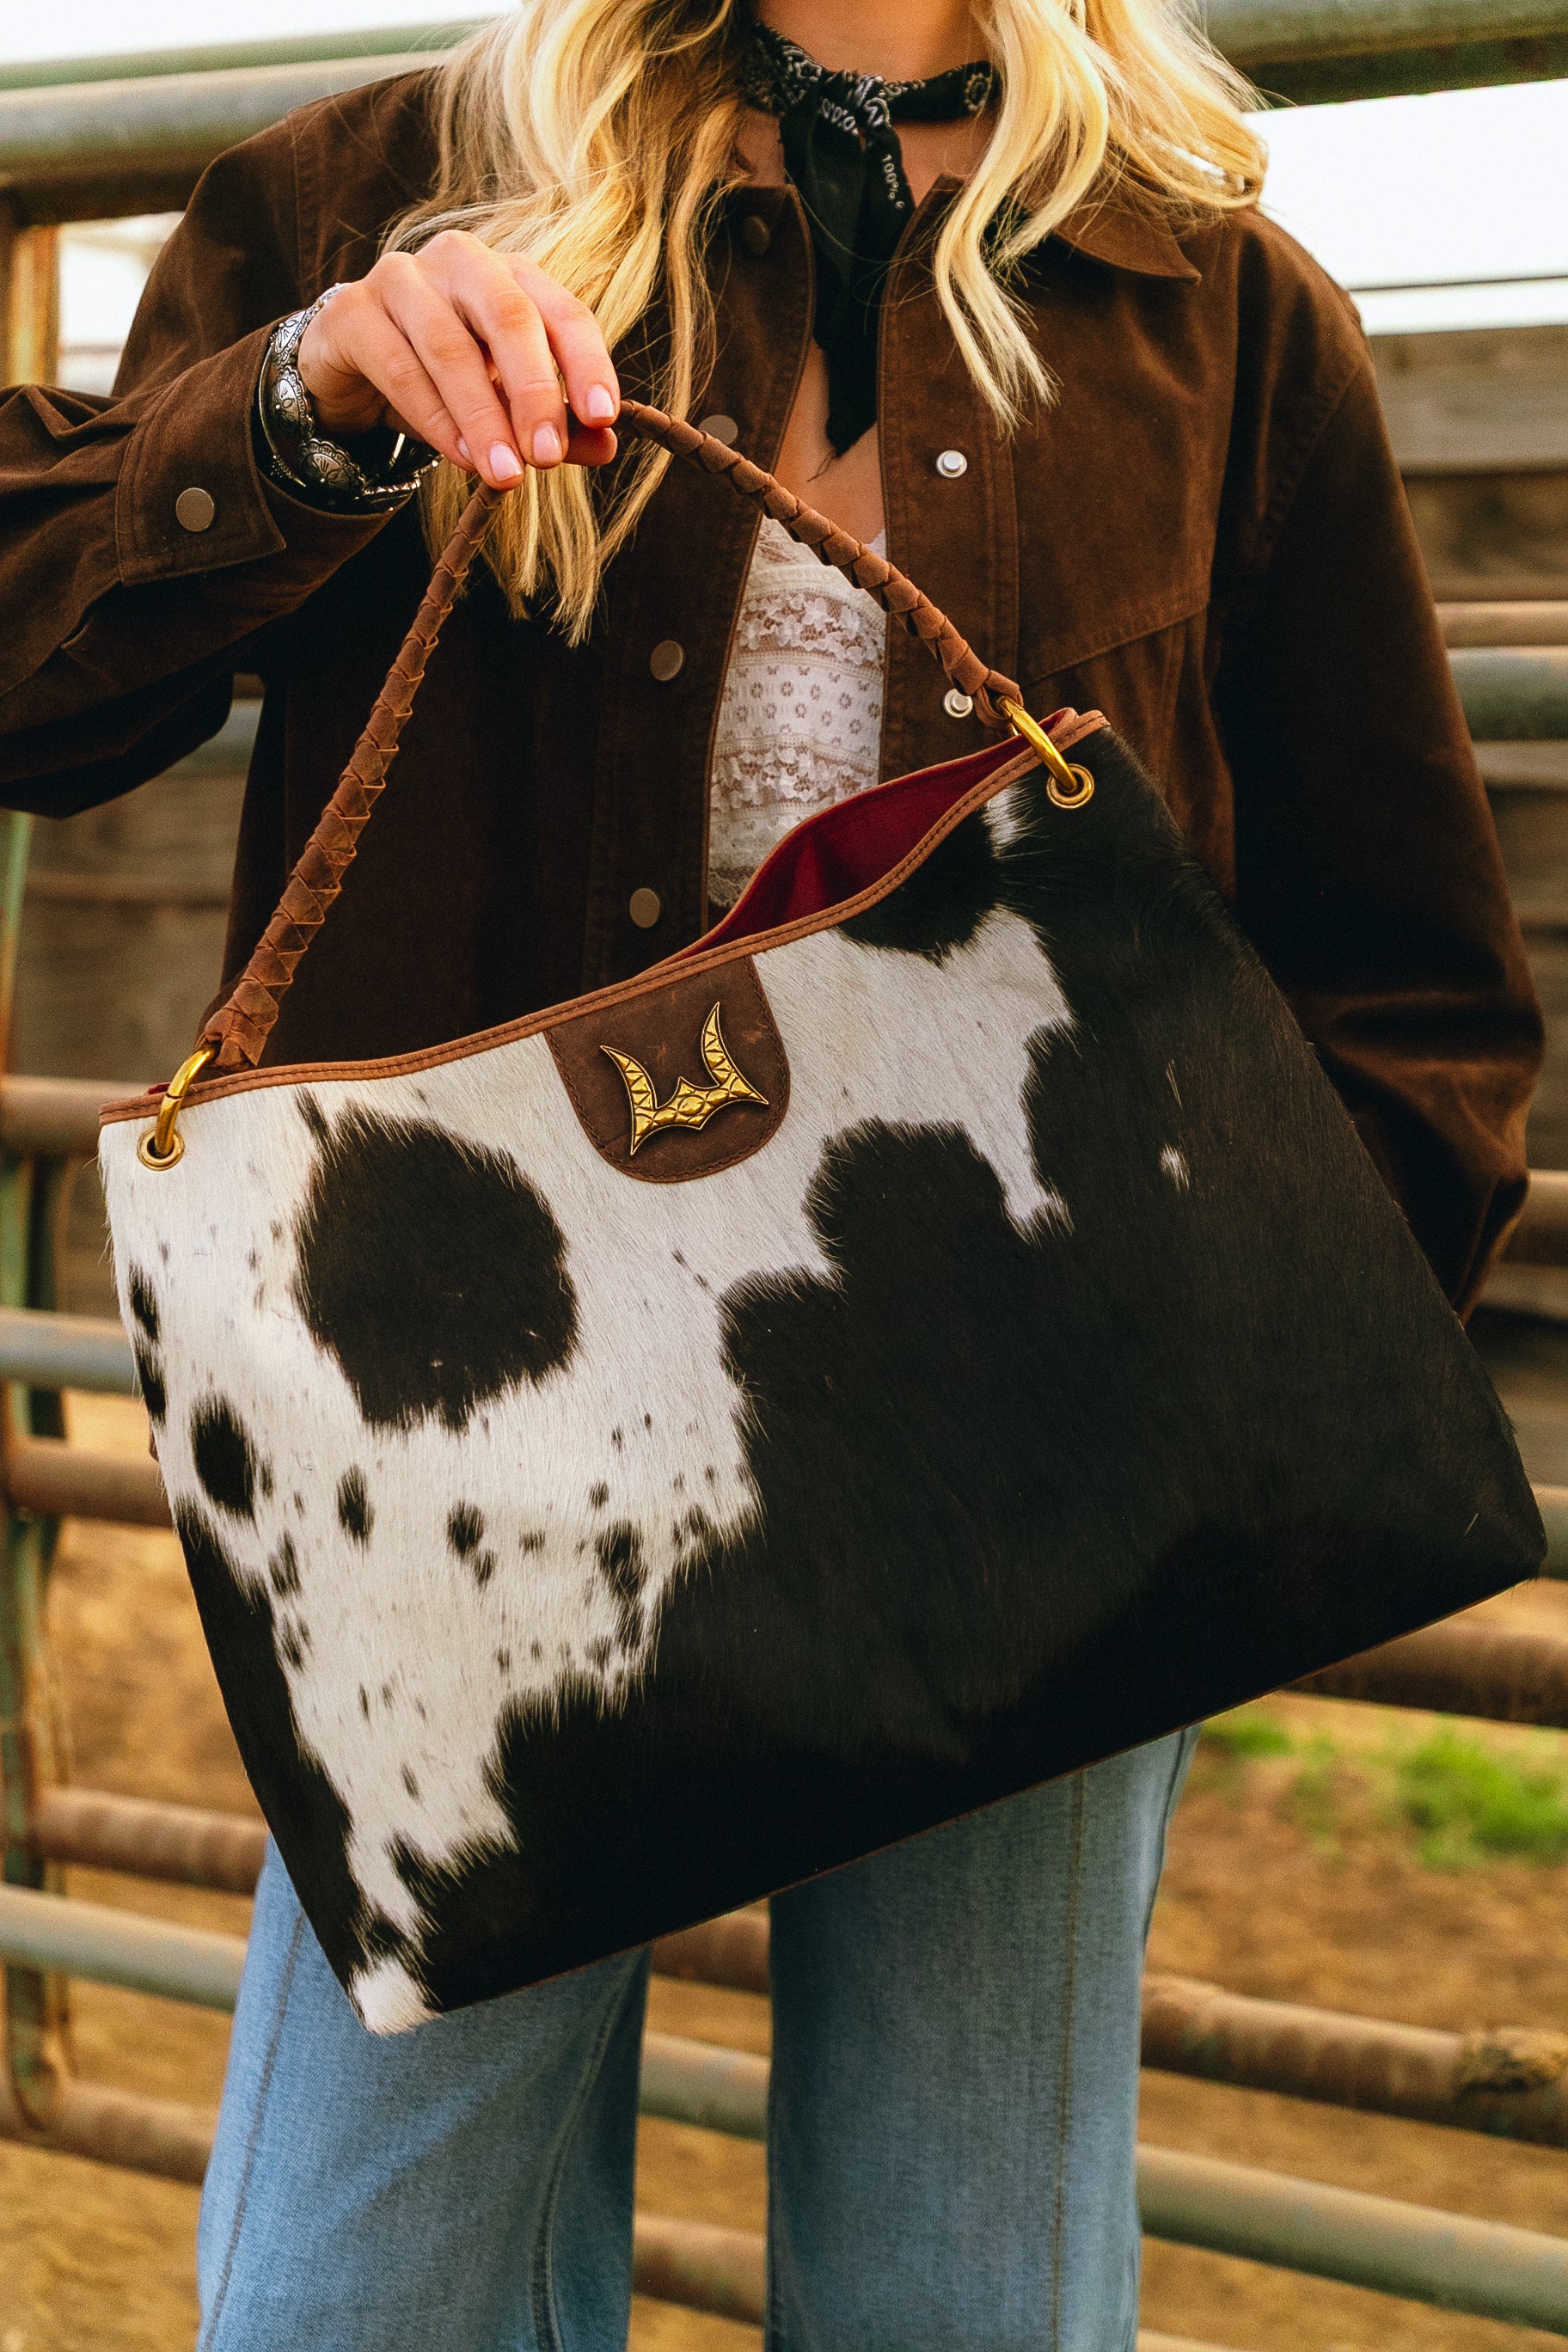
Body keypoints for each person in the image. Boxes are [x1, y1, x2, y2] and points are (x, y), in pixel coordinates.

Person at [0, 2, 1541, 2344]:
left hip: (1036, 1459)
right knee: (354, 2293)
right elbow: (38, 684)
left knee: (968, 2293)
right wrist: (305, 399)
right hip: (476, 1455)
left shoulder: (1207, 290)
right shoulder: (386, 187)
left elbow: (1407, 965)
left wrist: (1223, 1404)